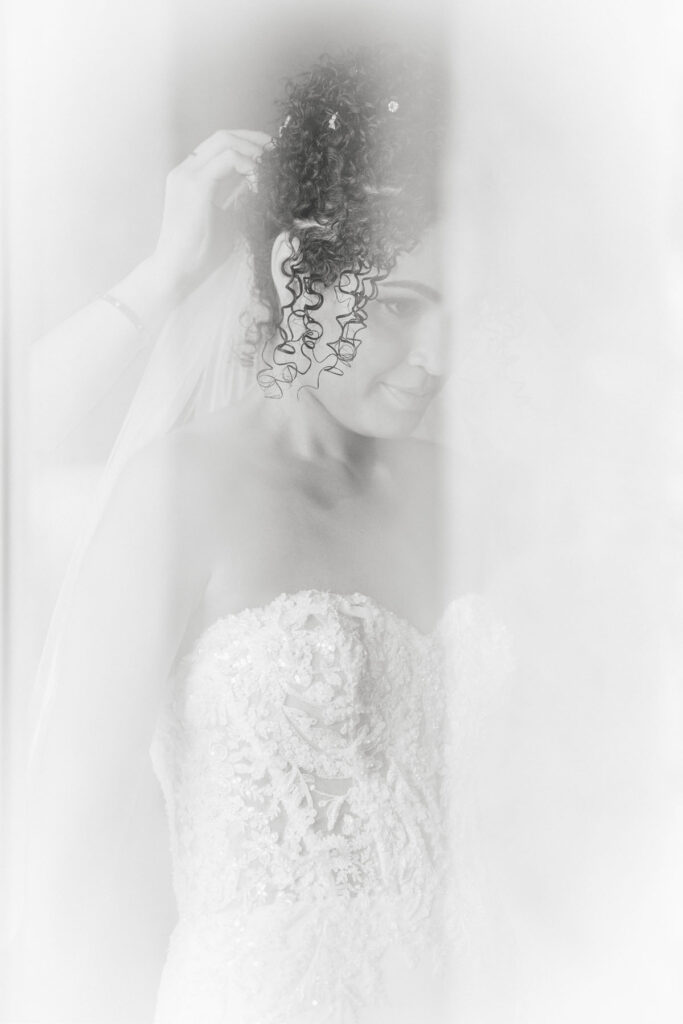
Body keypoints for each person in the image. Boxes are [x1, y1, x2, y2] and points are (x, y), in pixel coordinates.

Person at [14, 46, 511, 1024]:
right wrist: (162, 275)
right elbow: (65, 848)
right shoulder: (179, 495)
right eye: (400, 307)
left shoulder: (457, 490)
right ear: (293, 272)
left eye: (458, 311)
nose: (436, 359)